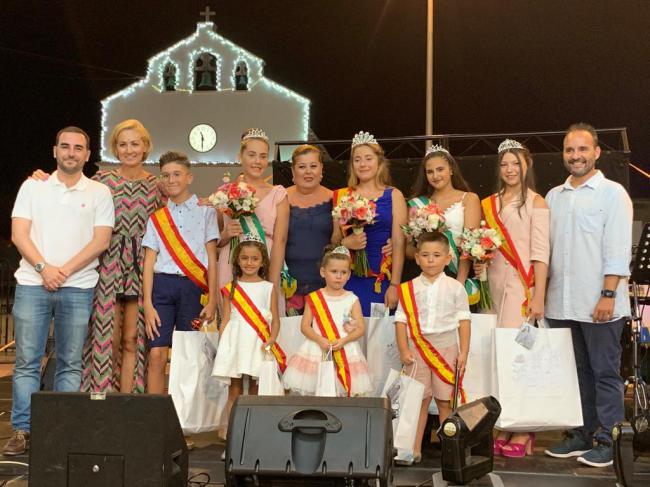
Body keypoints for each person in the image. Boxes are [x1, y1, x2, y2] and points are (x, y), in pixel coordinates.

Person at [29, 119, 163, 393]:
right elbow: (67, 190)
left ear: (145, 146)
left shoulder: (157, 186)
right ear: (115, 148)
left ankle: (128, 403)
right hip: (107, 263)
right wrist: (42, 179)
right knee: (105, 338)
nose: (129, 150)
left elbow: (177, 215)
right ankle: (100, 400)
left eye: (135, 144)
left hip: (142, 266)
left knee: (132, 339)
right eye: (123, 144)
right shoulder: (101, 181)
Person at [4, 127, 114, 456]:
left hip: (78, 287)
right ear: (54, 151)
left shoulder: (99, 192)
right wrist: (44, 269)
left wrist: (63, 271)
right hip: (32, 285)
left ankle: (62, 430)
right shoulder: (32, 187)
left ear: (87, 154)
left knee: (70, 363)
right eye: (65, 146)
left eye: (78, 148)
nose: (71, 152)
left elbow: (101, 241)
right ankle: (22, 430)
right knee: (27, 361)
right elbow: (19, 234)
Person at [543, 123, 633, 468]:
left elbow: (617, 250)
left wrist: (608, 294)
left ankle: (607, 440)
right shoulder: (553, 196)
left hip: (599, 304)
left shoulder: (612, 194)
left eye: (582, 149)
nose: (575, 156)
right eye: (569, 150)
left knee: (604, 373)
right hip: (561, 303)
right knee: (576, 373)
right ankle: (582, 433)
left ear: (596, 153)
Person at [474, 139, 550, 457]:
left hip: (522, 290)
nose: (509, 169)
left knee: (519, 359)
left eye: (515, 163)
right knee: (495, 359)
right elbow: (482, 243)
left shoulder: (537, 203)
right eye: (504, 163)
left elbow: (541, 254)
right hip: (491, 290)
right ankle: (503, 424)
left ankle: (523, 429)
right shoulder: (488, 203)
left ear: (526, 165)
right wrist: (479, 259)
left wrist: (539, 296)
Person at [141, 151, 219, 393]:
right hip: (162, 289)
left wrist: (214, 299)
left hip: (193, 288)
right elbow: (148, 263)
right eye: (165, 175)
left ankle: (185, 420)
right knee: (156, 354)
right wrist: (148, 304)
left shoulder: (207, 211)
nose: (171, 179)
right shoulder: (157, 219)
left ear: (189, 177)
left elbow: (212, 258)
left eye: (176, 174)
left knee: (190, 355)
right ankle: (155, 416)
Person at [394, 231, 471, 464]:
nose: (430, 260)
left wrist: (464, 351)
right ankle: (412, 449)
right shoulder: (408, 288)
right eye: (425, 255)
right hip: (416, 349)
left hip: (446, 347)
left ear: (448, 258)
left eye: (437, 255)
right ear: (416, 258)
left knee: (445, 401)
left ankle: (449, 451)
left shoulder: (456, 288)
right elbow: (401, 320)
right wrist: (403, 350)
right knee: (418, 399)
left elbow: (464, 321)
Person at [333, 131, 407, 316]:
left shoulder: (394, 195)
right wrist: (344, 244)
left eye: (368, 158)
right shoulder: (342, 195)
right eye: (357, 160)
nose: (363, 164)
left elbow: (399, 242)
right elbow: (333, 242)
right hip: (347, 281)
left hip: (380, 281)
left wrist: (395, 285)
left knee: (378, 341)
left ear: (379, 162)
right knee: (349, 338)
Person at [283, 245, 372, 396]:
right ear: (323, 272)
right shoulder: (314, 297)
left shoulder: (352, 299)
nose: (339, 276)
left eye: (343, 272)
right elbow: (305, 326)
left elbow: (361, 328)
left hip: (345, 349)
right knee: (317, 393)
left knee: (342, 393)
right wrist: (320, 340)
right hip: (317, 348)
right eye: (334, 271)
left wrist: (344, 340)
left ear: (349, 275)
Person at [216, 129, 289, 315]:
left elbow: (280, 240)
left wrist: (272, 281)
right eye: (252, 155)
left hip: (265, 258)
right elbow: (216, 241)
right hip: (231, 259)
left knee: (265, 318)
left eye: (263, 156)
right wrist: (226, 234)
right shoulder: (224, 193)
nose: (257, 161)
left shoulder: (278, 194)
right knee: (232, 319)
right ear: (240, 157)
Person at [213, 236, 282, 418]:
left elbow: (275, 319)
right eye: (244, 258)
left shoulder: (269, 288)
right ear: (237, 259)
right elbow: (226, 318)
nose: (249, 263)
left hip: (258, 341)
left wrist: (272, 339)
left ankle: (252, 425)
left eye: (254, 259)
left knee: (255, 385)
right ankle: (231, 427)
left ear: (262, 262)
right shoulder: (231, 288)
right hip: (236, 341)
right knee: (234, 387)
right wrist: (222, 344)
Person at [407, 145, 481, 299]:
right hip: (425, 276)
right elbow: (408, 251)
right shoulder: (417, 204)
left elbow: (469, 245)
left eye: (440, 169)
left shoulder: (469, 199)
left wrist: (459, 284)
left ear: (451, 170)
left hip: (456, 273)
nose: (435, 175)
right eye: (430, 172)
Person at [285, 145, 334, 315]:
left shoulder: (336, 199)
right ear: (293, 171)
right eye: (301, 166)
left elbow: (339, 242)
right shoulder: (280, 198)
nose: (308, 172)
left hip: (326, 284)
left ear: (321, 169)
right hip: (288, 286)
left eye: (313, 166)